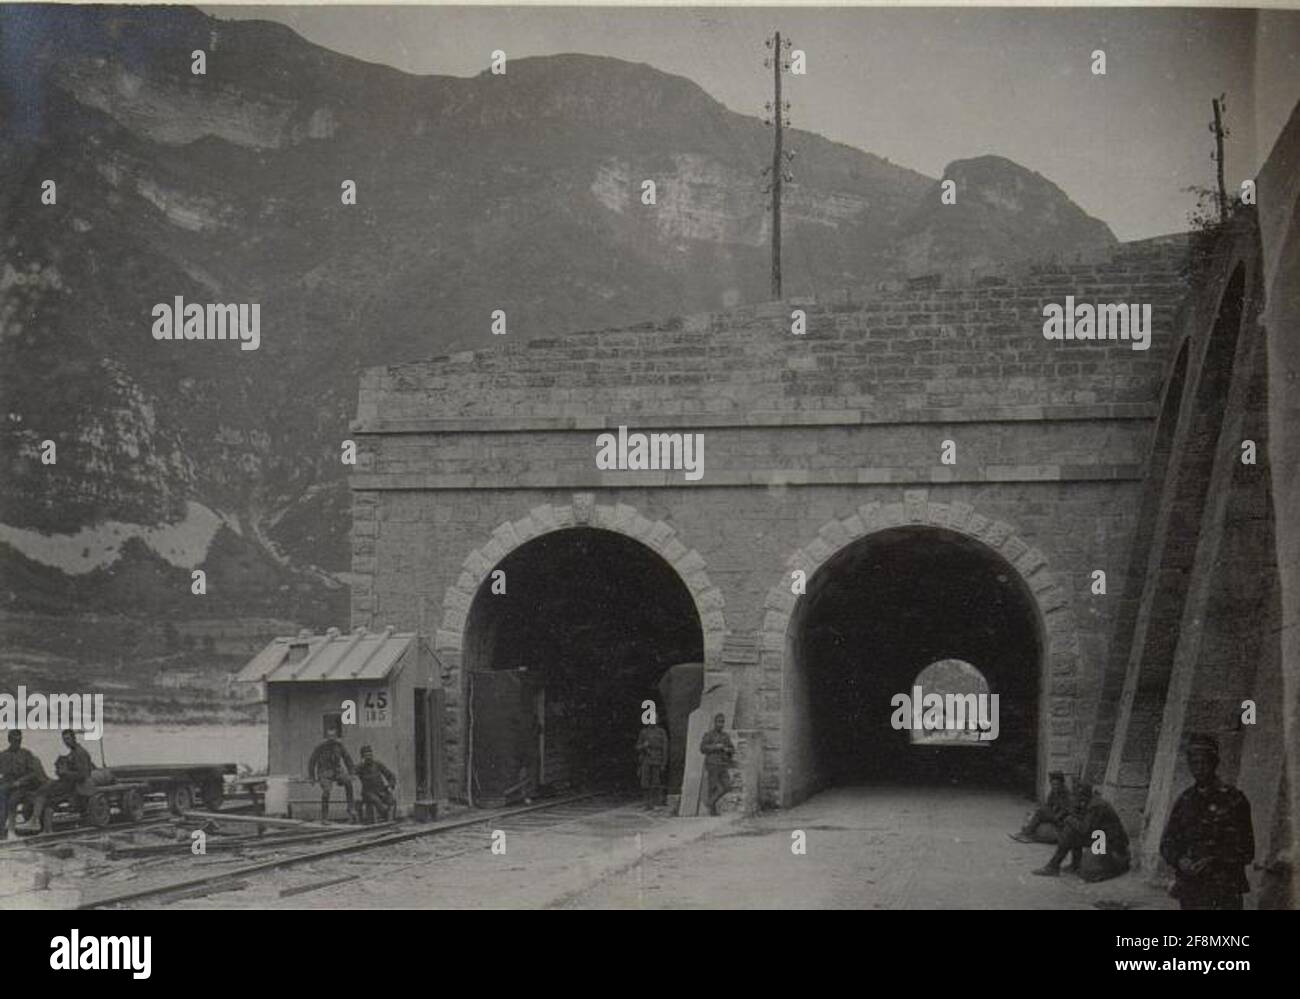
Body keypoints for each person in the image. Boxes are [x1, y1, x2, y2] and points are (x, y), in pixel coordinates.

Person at [1160, 733, 1254, 910]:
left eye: (1205, 762)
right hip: (1191, 887)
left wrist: (1213, 859)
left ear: (1214, 763)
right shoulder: (1185, 800)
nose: (1200, 768)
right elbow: (1167, 843)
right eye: (1194, 763)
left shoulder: (1235, 800)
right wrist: (1180, 860)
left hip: (1224, 888)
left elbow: (1247, 850)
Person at [1032, 780, 1130, 882]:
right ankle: (1068, 865)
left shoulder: (1096, 806)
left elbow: (1084, 829)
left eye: (1076, 795)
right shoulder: (1089, 801)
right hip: (1101, 836)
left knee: (1072, 834)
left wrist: (1069, 818)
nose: (1073, 798)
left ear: (1082, 795)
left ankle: (1057, 866)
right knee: (1071, 832)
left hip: (1113, 843)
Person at [21, 729, 94, 832]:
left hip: (75, 786)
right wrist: (60, 769)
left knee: (42, 793)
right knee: (46, 795)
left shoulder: (80, 753)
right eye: (64, 739)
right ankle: (46, 829)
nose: (66, 742)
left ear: (74, 738)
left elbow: (83, 774)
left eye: (68, 739)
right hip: (67, 783)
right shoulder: (73, 752)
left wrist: (65, 773)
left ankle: (35, 821)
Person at [0, 730, 48, 838]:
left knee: (13, 800)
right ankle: (1, 828)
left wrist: (20, 781)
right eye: (14, 740)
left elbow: (33, 773)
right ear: (9, 740)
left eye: (19, 740)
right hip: (7, 784)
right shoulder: (3, 755)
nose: (17, 742)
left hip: (23, 786)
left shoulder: (26, 754)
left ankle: (11, 830)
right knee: (1, 798)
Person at [307, 724, 357, 822]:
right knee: (326, 791)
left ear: (336, 737)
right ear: (326, 737)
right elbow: (312, 761)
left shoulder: (339, 746)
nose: (331, 739)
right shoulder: (320, 747)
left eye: (333, 737)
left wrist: (351, 773)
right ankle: (324, 816)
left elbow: (347, 759)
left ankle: (351, 808)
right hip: (324, 772)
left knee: (348, 782)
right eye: (329, 737)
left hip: (337, 772)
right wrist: (312, 777)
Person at [1010, 771, 1071, 844]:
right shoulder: (1053, 792)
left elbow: (1065, 810)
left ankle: (1026, 833)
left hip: (1061, 819)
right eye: (1053, 784)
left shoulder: (1066, 794)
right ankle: (1027, 832)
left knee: (1040, 813)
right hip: (1055, 815)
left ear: (1061, 783)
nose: (1055, 786)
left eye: (1057, 784)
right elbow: (1048, 804)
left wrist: (1053, 817)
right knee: (1035, 813)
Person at [699, 713, 735, 816]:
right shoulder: (709, 735)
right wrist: (716, 747)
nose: (721, 724)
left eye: (722, 722)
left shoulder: (725, 736)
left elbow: (732, 749)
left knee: (727, 786)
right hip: (712, 764)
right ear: (715, 723)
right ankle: (712, 811)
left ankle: (709, 803)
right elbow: (702, 748)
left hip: (722, 764)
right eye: (719, 722)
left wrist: (728, 750)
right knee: (714, 787)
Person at [355, 745, 396, 823]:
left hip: (381, 791)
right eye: (366, 755)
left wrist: (390, 785)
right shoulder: (360, 767)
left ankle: (390, 822)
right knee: (377, 802)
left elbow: (390, 775)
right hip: (368, 793)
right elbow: (352, 773)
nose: (369, 757)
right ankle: (384, 817)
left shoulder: (377, 764)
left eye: (370, 754)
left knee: (392, 800)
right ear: (362, 757)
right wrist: (361, 764)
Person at [635, 718, 670, 809]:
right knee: (645, 782)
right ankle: (647, 803)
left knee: (656, 781)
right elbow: (637, 747)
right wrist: (643, 746)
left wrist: (664, 763)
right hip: (646, 760)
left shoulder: (661, 732)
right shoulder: (644, 732)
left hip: (657, 759)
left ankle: (656, 802)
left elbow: (665, 748)